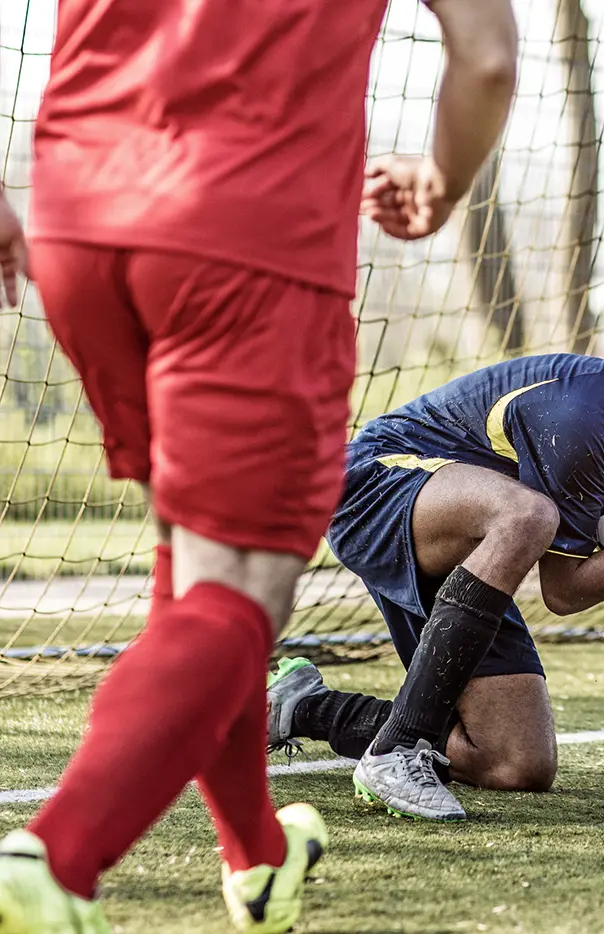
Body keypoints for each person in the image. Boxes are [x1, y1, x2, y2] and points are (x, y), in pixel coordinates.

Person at [0, 0, 519, 930]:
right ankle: (56, 858)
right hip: (246, 245)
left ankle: (256, 856)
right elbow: (484, 58)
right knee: (239, 591)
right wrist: (442, 180)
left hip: (79, 218)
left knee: (199, 567)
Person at [265, 291, 604, 821]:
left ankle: (302, 708)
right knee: (529, 516)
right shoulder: (588, 414)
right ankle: (397, 750)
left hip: (477, 550)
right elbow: (564, 591)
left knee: (514, 763)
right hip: (376, 486)